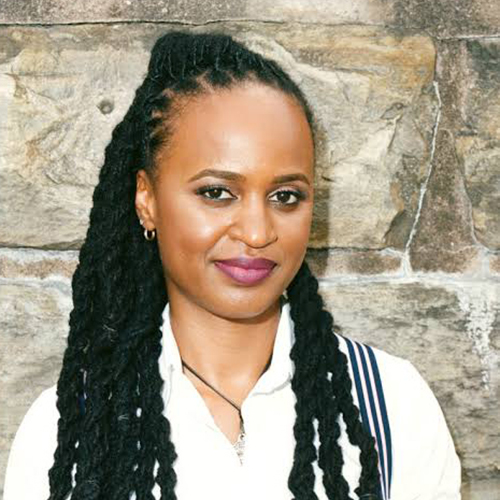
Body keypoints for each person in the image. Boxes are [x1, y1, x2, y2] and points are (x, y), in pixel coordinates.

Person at [3, 31, 461, 500]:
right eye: (217, 192)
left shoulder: (392, 404)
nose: (258, 232)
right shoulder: (69, 430)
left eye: (286, 196)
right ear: (147, 200)